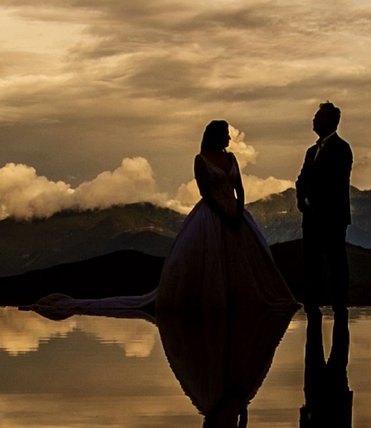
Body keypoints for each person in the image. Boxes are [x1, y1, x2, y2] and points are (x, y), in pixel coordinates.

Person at [30, 120, 298, 320]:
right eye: (226, 133)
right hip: (213, 215)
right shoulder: (201, 159)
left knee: (243, 261)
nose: (230, 137)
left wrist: (238, 211)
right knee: (213, 262)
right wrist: (223, 214)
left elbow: (239, 187)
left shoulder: (231, 158)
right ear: (216, 136)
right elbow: (206, 191)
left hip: (236, 216)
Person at [296, 101, 352, 314]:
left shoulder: (341, 148)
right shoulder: (311, 151)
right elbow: (301, 179)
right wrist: (302, 202)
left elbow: (336, 182)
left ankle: (340, 304)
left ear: (331, 121)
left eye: (319, 116)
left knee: (336, 262)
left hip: (332, 217)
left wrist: (316, 204)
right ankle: (312, 303)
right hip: (311, 217)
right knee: (311, 263)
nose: (314, 119)